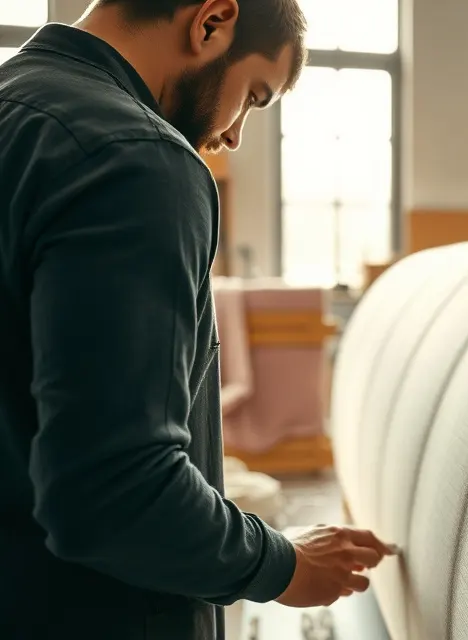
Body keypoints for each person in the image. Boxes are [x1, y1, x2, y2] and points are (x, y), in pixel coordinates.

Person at [0, 1, 395, 638]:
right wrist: (283, 565)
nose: (236, 134)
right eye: (253, 95)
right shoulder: (138, 160)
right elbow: (116, 493)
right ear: (211, 21)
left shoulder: (16, 111)